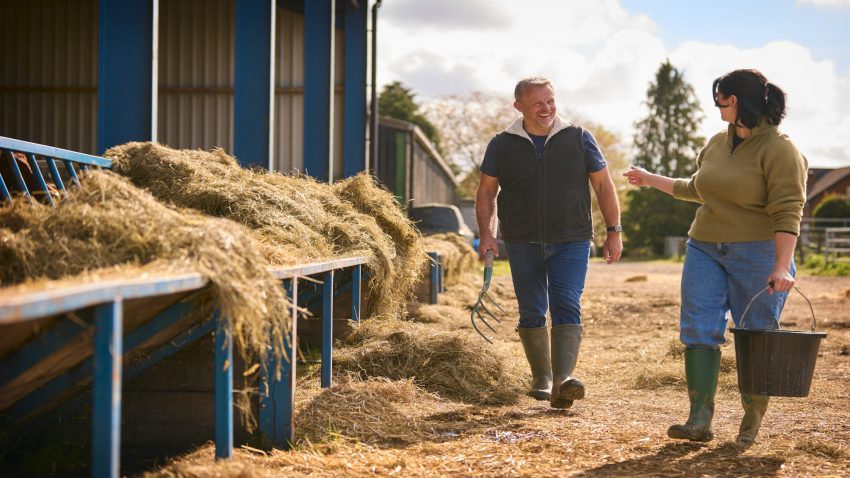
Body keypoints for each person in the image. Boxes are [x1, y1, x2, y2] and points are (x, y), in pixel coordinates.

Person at [623, 69, 807, 448]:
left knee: (756, 335)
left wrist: (780, 265)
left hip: (757, 252)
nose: (717, 106)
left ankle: (750, 422)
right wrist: (648, 177)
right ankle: (699, 419)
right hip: (704, 246)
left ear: (734, 100)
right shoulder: (717, 142)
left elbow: (788, 209)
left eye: (719, 99)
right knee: (698, 329)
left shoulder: (780, 149)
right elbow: (697, 188)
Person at [475, 77, 623, 409]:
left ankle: (563, 381)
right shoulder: (502, 143)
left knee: (567, 304)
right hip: (521, 240)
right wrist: (486, 233)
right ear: (520, 106)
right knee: (531, 310)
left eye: (551, 101)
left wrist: (614, 230)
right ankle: (541, 377)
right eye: (538, 102)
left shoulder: (579, 138)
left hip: (571, 240)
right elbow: (486, 192)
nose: (547, 108)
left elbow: (603, 185)